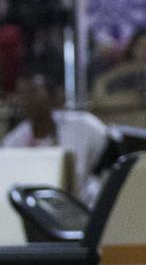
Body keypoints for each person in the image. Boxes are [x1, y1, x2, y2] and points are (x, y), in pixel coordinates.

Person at [2, 73, 111, 204]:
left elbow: (113, 154)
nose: (26, 98)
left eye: (33, 91)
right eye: (22, 93)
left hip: (83, 208)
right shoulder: (13, 143)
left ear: (54, 97)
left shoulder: (84, 126)